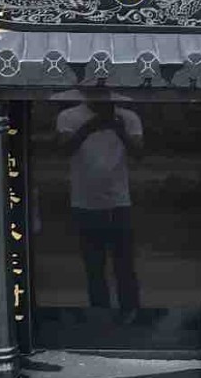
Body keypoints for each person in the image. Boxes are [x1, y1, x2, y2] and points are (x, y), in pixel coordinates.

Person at [56, 98, 143, 316]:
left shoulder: (128, 118)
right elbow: (63, 150)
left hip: (119, 202)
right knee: (94, 266)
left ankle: (130, 312)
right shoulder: (69, 116)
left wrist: (120, 131)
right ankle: (100, 315)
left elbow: (139, 154)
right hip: (85, 202)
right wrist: (88, 128)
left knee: (124, 265)